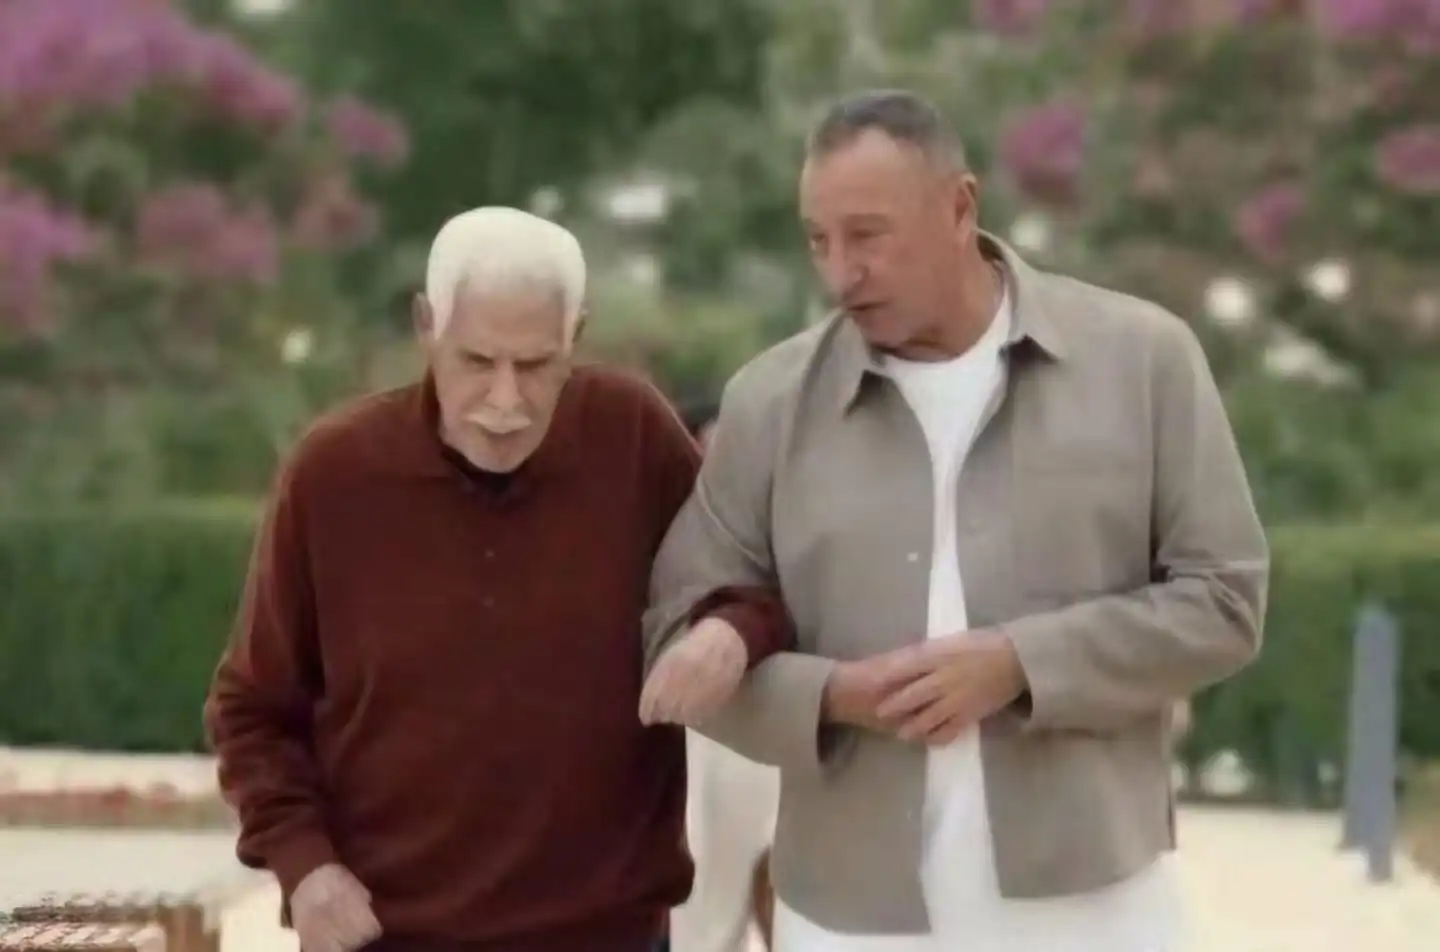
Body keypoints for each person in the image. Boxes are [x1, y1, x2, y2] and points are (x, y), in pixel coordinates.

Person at [640, 90, 1268, 952]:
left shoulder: (1144, 361)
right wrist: (832, 697)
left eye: (868, 235)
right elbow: (673, 633)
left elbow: (1225, 602)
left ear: (961, 207)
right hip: (847, 918)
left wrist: (1019, 663)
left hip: (1099, 906)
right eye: (819, 241)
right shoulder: (768, 403)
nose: (840, 273)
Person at [204, 207, 791, 952]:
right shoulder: (333, 475)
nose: (506, 402)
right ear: (427, 327)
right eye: (478, 362)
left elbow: (756, 573)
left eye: (536, 365)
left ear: (576, 336)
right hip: (389, 937)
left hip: (608, 937)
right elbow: (252, 709)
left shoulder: (632, 436)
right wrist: (305, 868)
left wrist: (729, 633)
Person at [669, 401, 781, 952]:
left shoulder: (789, 524)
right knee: (703, 900)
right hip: (696, 735)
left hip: (775, 722)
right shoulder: (669, 536)